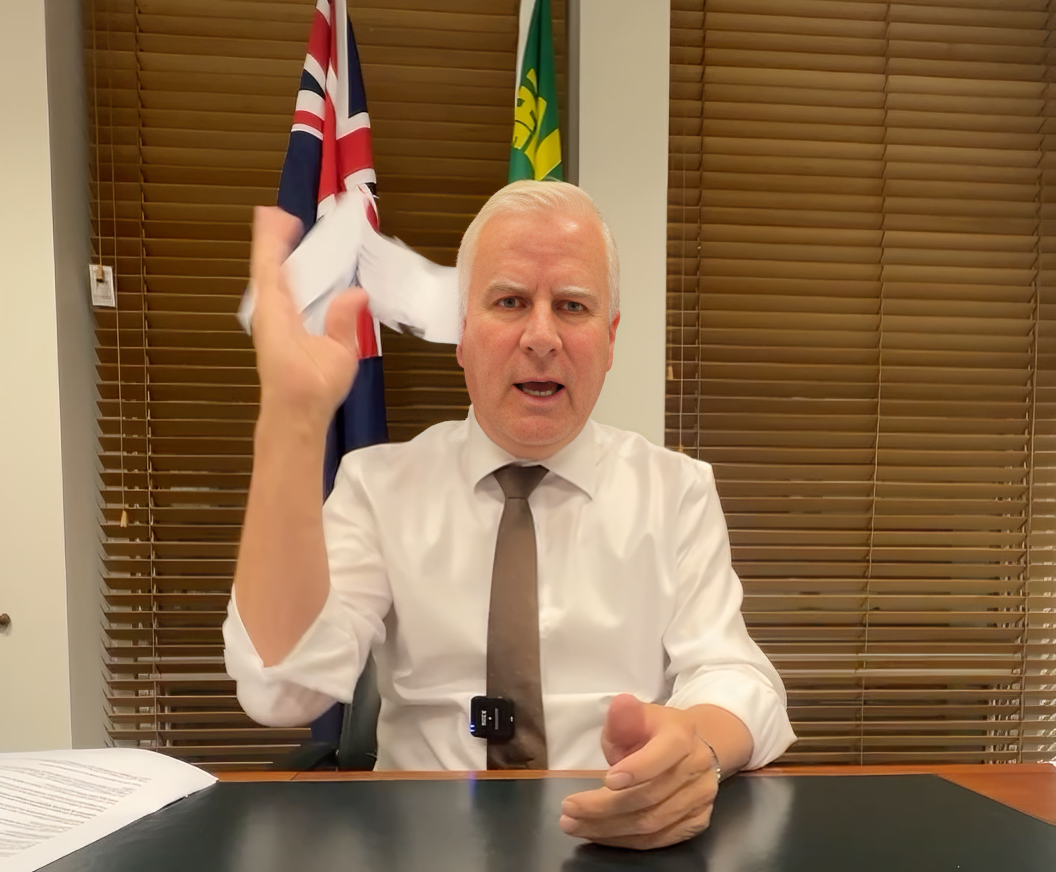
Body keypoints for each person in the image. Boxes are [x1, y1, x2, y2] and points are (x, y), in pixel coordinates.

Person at [223, 180, 796, 850]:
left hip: (615, 842)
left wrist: (694, 745)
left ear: (610, 340)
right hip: (420, 848)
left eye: (573, 306)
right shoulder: (379, 486)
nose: (542, 336)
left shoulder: (675, 491)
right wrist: (291, 423)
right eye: (510, 301)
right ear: (463, 335)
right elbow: (281, 694)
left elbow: (737, 676)